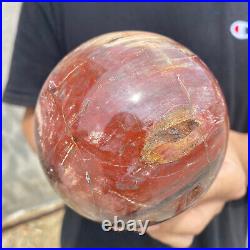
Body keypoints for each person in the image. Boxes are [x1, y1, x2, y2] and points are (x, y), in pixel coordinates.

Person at [3, 3, 247, 248]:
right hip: (91, 235)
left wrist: (238, 155)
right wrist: (91, 174)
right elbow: (35, 117)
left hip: (220, 232)